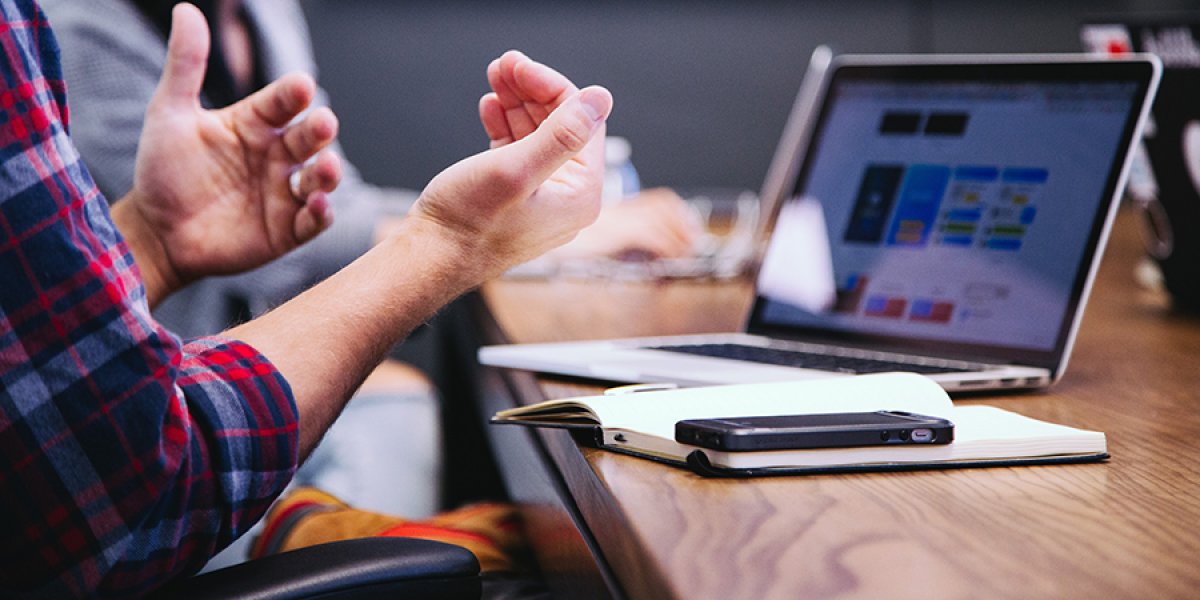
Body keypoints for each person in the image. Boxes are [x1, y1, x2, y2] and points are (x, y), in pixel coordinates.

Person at [0, 0, 613, 596]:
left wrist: (154, 244)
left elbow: (330, 202)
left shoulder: (267, 12)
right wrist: (453, 241)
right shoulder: (61, 23)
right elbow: (126, 484)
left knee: (403, 402)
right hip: (148, 507)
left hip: (170, 424)